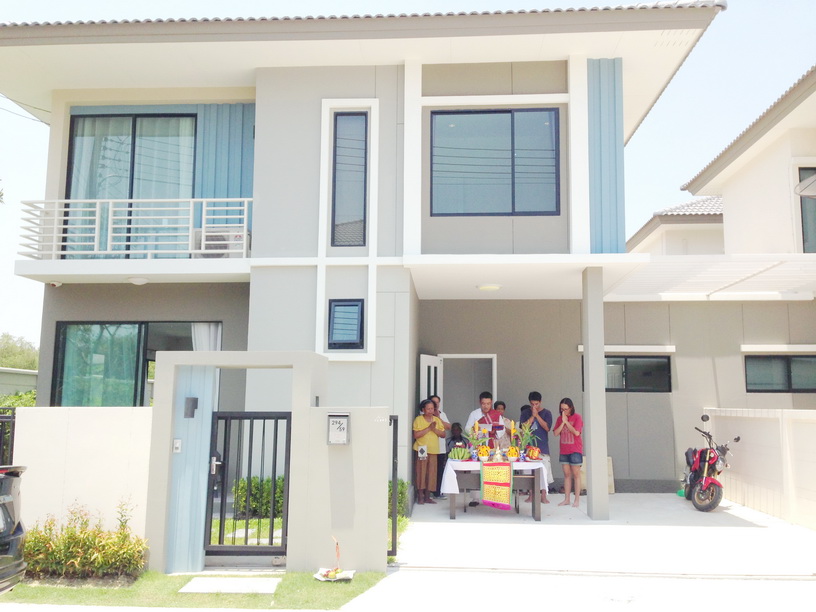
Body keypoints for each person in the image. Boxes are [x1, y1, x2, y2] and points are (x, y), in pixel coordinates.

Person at [519, 391, 553, 504]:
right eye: (532, 404)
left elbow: (547, 428)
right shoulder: (525, 413)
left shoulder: (547, 413)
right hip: (529, 447)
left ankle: (543, 495)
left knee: (544, 472)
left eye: (537, 404)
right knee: (529, 473)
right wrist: (532, 416)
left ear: (540, 402)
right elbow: (523, 427)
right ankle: (531, 495)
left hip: (542, 447)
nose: (535, 406)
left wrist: (537, 415)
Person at [412, 398, 445, 505]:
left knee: (431, 473)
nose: (430, 411)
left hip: (434, 450)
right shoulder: (418, 419)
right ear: (423, 409)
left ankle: (427, 496)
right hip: (421, 449)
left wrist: (434, 429)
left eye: (432, 408)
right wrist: (429, 428)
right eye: (428, 409)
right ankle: (420, 496)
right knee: (421, 472)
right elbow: (416, 435)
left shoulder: (437, 420)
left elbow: (443, 434)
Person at [553, 397, 583, 508]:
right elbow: (555, 433)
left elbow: (576, 432)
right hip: (564, 450)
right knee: (566, 474)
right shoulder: (559, 419)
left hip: (575, 449)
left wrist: (567, 422)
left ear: (571, 408)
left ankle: (577, 500)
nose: (564, 411)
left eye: (566, 409)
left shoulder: (577, 417)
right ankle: (566, 499)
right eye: (562, 409)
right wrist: (562, 422)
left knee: (576, 474)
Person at [430, 394, 451, 499]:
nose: (436, 404)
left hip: (440, 448)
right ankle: (428, 492)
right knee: (430, 470)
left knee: (440, 470)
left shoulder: (442, 414)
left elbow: (448, 427)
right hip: (430, 447)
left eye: (437, 402)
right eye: (434, 402)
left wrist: (438, 418)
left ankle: (438, 492)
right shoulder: (425, 415)